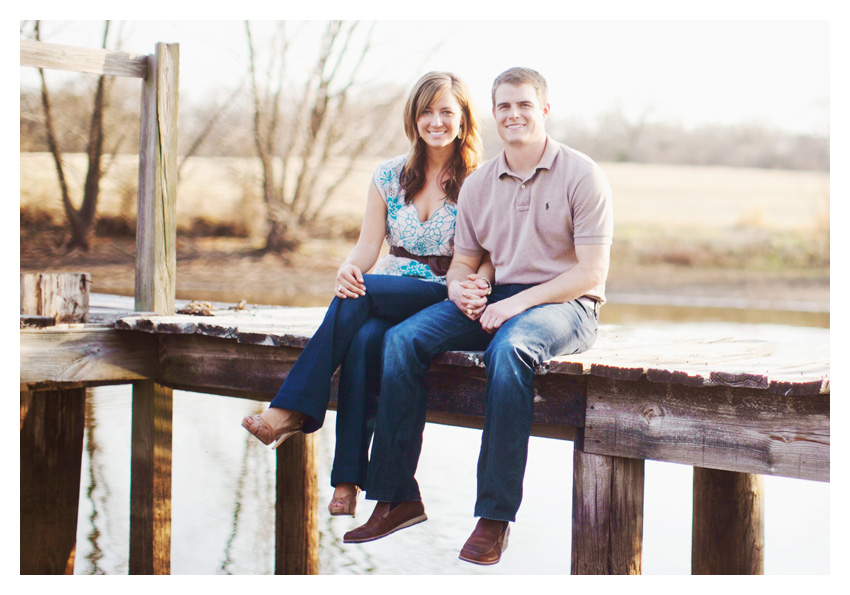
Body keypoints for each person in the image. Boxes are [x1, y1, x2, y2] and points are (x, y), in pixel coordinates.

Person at [343, 67, 613, 565]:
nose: (514, 114)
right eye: (504, 106)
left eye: (524, 105)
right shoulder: (480, 183)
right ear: (493, 113)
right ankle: (396, 496)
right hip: (496, 298)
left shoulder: (582, 174)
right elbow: (465, 262)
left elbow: (591, 272)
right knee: (401, 340)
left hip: (567, 306)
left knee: (511, 349)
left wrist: (515, 304)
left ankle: (494, 516)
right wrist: (463, 290)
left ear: (544, 110)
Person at [241, 71, 492, 519]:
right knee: (362, 340)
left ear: (464, 119)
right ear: (413, 118)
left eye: (446, 112)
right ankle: (347, 482)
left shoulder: (482, 179)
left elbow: (491, 252)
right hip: (387, 287)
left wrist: (478, 285)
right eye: (426, 112)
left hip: (443, 294)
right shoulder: (388, 175)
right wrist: (348, 268)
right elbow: (367, 245)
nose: (436, 121)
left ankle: (291, 410)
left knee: (364, 296)